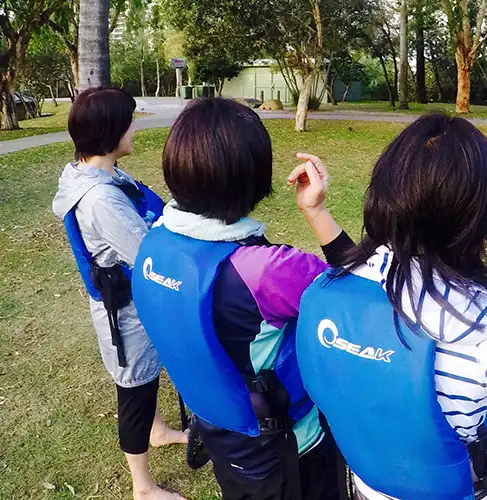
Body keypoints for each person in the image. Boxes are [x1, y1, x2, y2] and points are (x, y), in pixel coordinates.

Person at [295, 114, 487, 500]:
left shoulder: (324, 297)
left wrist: (316, 211)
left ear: (384, 193)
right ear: (482, 218)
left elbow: (357, 270)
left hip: (368, 484)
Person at [131, 98, 351, 500]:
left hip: (221, 436)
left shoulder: (154, 246)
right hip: (290, 451)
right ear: (254, 176)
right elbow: (358, 297)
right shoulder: (270, 271)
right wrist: (316, 211)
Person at [51, 87, 187, 500]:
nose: (134, 129)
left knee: (145, 377)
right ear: (111, 132)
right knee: (134, 390)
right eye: (129, 122)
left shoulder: (98, 173)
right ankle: (142, 487)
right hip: (125, 312)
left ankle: (157, 431)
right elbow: (145, 255)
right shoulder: (100, 199)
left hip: (131, 302)